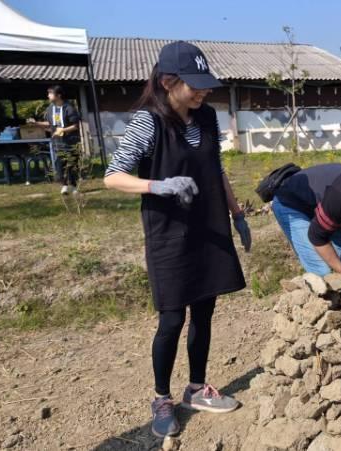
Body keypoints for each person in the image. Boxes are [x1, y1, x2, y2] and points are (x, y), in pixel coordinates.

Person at [104, 41, 252, 438]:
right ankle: (161, 397)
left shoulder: (207, 118)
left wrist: (237, 214)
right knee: (172, 318)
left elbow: (218, 169)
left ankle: (195, 388)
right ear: (168, 81)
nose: (203, 92)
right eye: (194, 85)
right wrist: (160, 185)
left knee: (204, 312)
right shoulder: (149, 122)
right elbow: (112, 175)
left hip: (209, 227)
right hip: (169, 234)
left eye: (206, 85)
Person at [27, 85, 81, 194]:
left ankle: (74, 187)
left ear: (59, 95)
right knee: (59, 165)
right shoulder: (50, 108)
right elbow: (49, 123)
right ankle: (64, 185)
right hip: (58, 143)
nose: (48, 95)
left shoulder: (69, 108)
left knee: (71, 165)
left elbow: (75, 125)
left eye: (50, 93)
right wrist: (36, 123)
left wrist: (62, 130)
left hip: (71, 142)